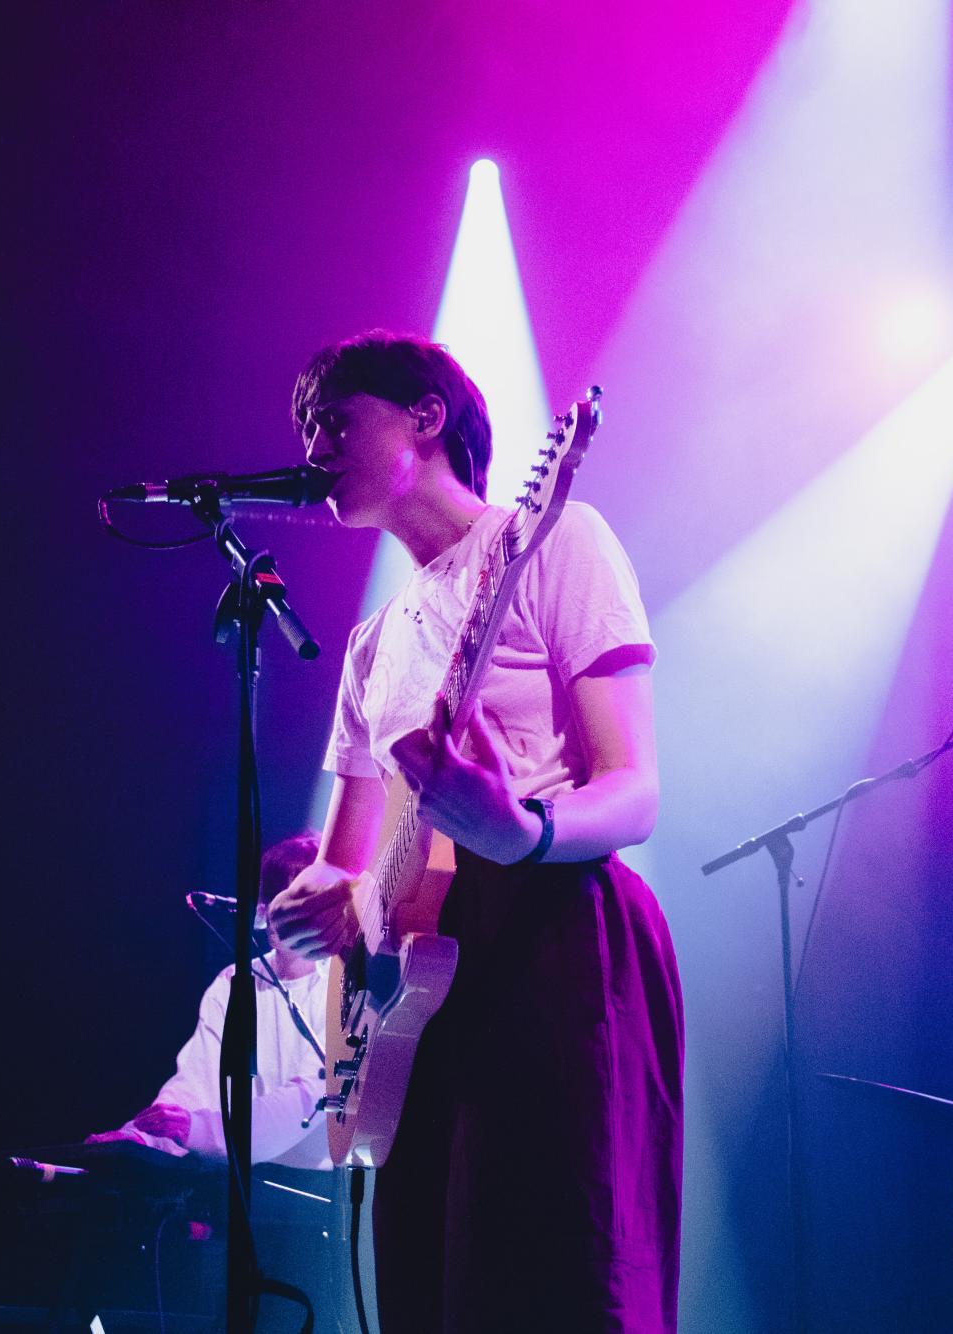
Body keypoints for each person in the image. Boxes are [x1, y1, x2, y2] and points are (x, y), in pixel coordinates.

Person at [268, 331, 684, 1333]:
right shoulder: (371, 645)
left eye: (334, 415)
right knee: (433, 1286)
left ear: (426, 417)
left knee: (555, 1269)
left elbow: (634, 790)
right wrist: (319, 905)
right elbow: (347, 856)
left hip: (557, 929)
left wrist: (522, 828)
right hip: (418, 989)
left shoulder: (557, 537)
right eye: (304, 427)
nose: (313, 441)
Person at [87, 832, 332, 1170]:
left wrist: (200, 1129)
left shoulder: (339, 988)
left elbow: (307, 1097)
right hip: (237, 1177)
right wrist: (141, 1138)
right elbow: (197, 1082)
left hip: (318, 1195)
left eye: (290, 894)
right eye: (272, 893)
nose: (277, 906)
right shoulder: (235, 981)